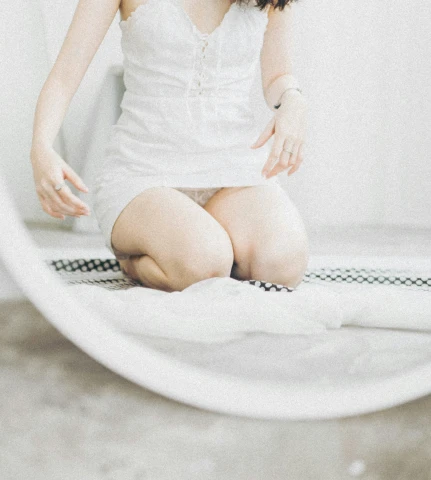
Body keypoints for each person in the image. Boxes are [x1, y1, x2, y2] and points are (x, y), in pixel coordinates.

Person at [30, 0, 309, 292]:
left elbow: (278, 75)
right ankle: (144, 260)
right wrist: (41, 147)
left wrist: (293, 99)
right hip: (144, 173)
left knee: (282, 264)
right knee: (204, 266)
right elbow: (64, 77)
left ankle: (201, 242)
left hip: (234, 168)